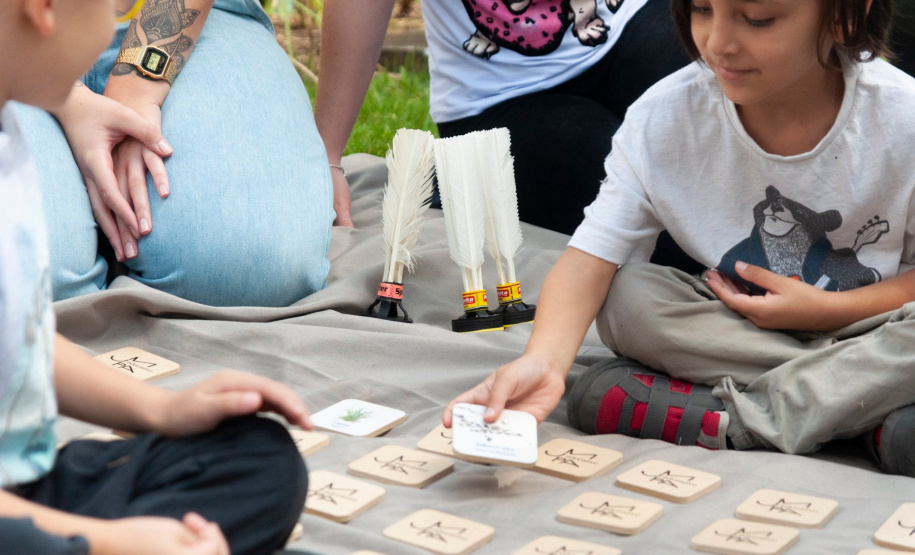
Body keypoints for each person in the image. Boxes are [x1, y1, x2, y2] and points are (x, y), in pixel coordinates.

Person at [443, 0, 915, 479]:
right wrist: (543, 363)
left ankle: (759, 419)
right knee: (629, 298)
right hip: (739, 334)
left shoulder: (903, 116)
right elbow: (591, 258)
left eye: (757, 20)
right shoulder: (664, 116)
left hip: (875, 325)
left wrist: (830, 310)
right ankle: (868, 411)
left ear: (844, 16)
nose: (718, 43)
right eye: (702, 10)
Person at [1, 2, 310, 552]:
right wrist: (106, 543)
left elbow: (16, 342)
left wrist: (163, 410)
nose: (120, 15)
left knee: (260, 458)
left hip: (25, 484)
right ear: (44, 11)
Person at [11, 0, 334, 307]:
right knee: (27, 282)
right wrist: (63, 95)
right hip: (14, 34)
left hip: (204, 17)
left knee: (251, 269)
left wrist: (135, 96)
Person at [315, 0, 695, 259]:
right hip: (500, 96)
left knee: (723, 152)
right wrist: (328, 155)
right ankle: (462, 176)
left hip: (633, 23)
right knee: (647, 222)